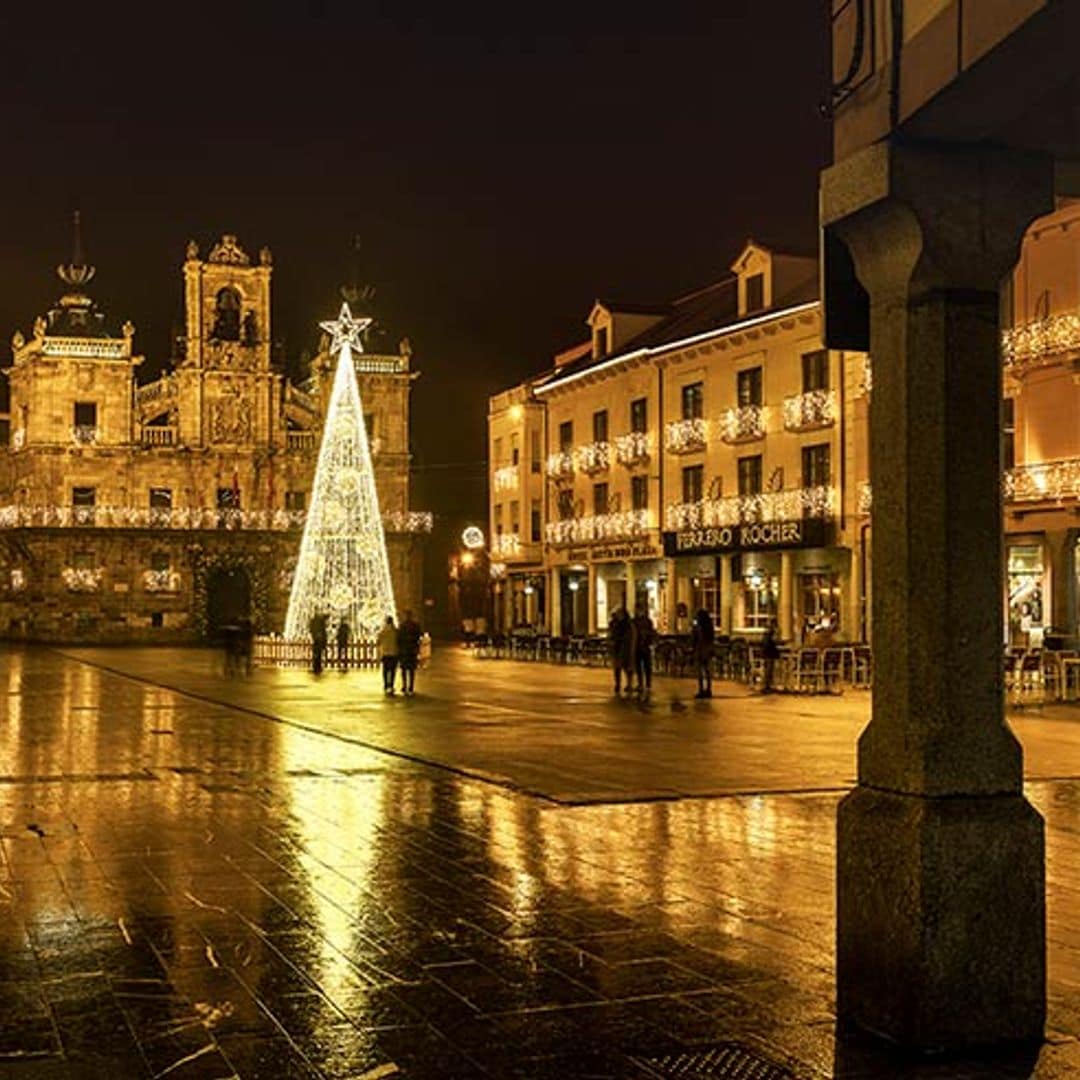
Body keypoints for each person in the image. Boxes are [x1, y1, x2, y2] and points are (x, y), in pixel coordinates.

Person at [608, 606, 635, 694]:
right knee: (617, 668)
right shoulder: (615, 624)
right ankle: (618, 684)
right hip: (617, 648)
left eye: (619, 613)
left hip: (625, 648)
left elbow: (631, 636)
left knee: (627, 668)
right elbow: (612, 634)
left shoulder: (628, 624)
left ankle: (629, 684)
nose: (618, 615)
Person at [397, 609, 423, 695]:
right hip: (412, 649)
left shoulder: (402, 625)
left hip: (405, 650)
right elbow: (419, 635)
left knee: (404, 669)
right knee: (411, 670)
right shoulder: (415, 625)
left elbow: (399, 638)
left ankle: (405, 686)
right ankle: (411, 687)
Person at [632, 606, 655, 696]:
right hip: (638, 646)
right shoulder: (635, 621)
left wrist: (648, 638)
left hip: (644, 646)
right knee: (639, 667)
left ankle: (647, 683)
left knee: (646, 666)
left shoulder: (647, 621)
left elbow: (651, 632)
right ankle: (641, 683)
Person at [691, 608, 715, 699]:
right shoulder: (709, 626)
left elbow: (696, 637)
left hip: (700, 649)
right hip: (708, 648)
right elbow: (711, 637)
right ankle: (708, 689)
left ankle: (701, 690)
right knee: (707, 670)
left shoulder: (698, 626)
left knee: (700, 671)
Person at [378, 615, 399, 694]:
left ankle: (386, 684)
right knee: (393, 670)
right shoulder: (396, 631)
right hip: (394, 653)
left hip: (386, 653)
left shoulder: (383, 631)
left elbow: (378, 641)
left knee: (385, 670)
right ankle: (391, 685)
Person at [761, 619, 781, 693]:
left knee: (768, 669)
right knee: (769, 670)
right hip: (770, 653)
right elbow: (775, 641)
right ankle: (767, 686)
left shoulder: (766, 633)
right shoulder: (771, 633)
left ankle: (767, 685)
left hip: (767, 653)